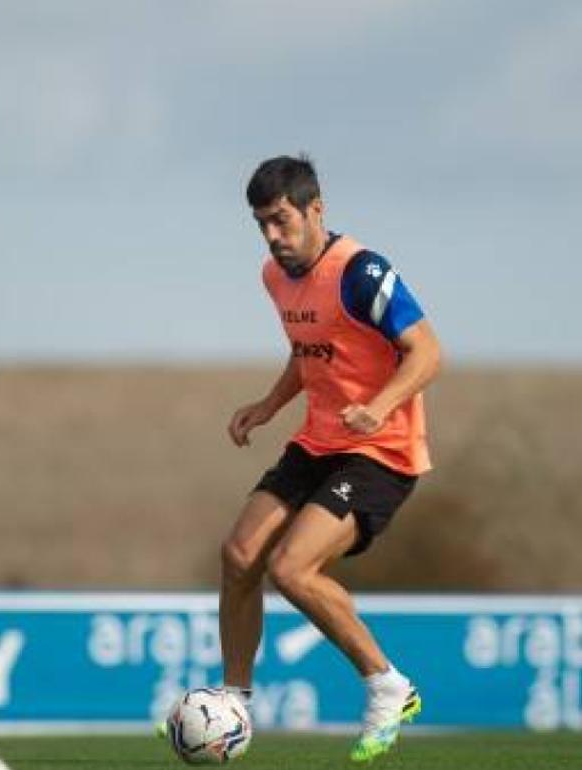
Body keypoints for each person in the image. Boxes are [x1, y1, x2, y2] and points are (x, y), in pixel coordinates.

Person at [221, 155, 440, 761]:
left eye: (281, 219)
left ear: (315, 209)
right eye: (261, 223)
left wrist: (380, 404)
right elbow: (312, 349)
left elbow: (427, 352)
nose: (272, 235)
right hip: (319, 440)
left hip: (380, 451)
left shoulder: (362, 272)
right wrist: (269, 404)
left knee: (291, 569)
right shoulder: (274, 274)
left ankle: (387, 684)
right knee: (240, 555)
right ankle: (233, 702)